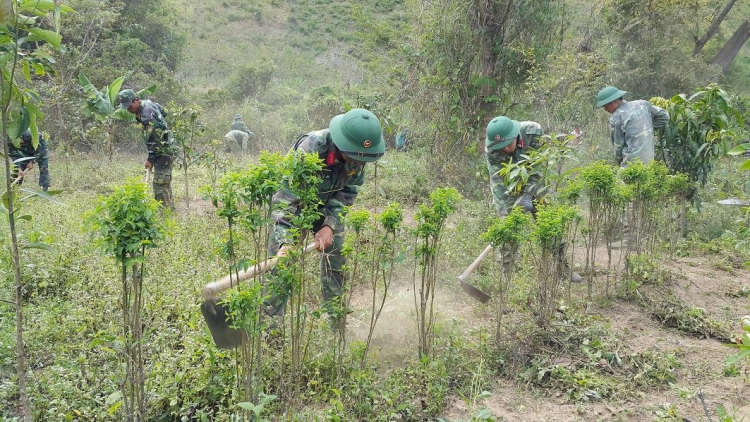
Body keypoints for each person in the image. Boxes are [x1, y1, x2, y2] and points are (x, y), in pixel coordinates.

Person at [265, 108, 386, 323]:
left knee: (337, 258)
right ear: (342, 144)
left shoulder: (359, 157)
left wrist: (329, 225)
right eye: (355, 157)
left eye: (363, 159)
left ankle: (336, 319)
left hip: (327, 208)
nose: (359, 164)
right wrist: (286, 241)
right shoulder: (311, 149)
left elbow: (348, 192)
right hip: (295, 208)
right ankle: (270, 325)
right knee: (280, 266)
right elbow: (285, 201)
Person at [485, 116, 581, 282]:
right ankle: (507, 276)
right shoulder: (493, 150)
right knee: (507, 226)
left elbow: (538, 167)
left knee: (548, 222)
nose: (507, 149)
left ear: (516, 136)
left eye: (508, 144)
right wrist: (512, 208)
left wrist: (528, 195)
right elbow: (501, 180)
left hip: (535, 180)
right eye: (502, 147)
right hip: (506, 182)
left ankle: (562, 268)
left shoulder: (533, 132)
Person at [117, 88, 176, 208]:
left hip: (164, 149)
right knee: (164, 180)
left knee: (160, 183)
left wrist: (150, 159)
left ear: (136, 100)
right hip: (164, 147)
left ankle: (164, 212)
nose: (129, 109)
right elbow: (163, 111)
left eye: (130, 106)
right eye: (126, 107)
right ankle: (170, 208)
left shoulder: (146, 116)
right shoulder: (147, 103)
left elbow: (154, 139)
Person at [596, 86, 669, 167]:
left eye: (605, 106)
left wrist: (619, 162)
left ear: (614, 101)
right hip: (649, 161)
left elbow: (618, 147)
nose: (605, 109)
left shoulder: (616, 118)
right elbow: (665, 116)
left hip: (630, 165)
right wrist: (647, 127)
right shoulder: (643, 104)